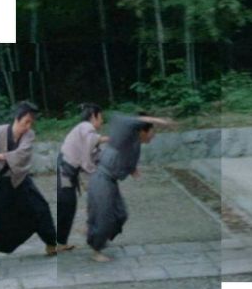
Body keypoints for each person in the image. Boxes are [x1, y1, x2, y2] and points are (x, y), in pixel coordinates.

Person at [0, 101, 63, 257]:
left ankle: (51, 243)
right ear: (17, 118)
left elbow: (22, 153)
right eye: (26, 122)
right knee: (2, 219)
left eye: (31, 122)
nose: (28, 126)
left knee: (40, 208)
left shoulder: (29, 134)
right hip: (1, 183)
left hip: (21, 180)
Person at [86, 112, 175, 262]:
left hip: (110, 182)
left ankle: (93, 232)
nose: (153, 135)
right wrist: (159, 120)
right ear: (143, 131)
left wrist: (132, 170)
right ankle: (96, 249)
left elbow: (128, 159)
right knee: (105, 217)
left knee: (121, 214)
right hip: (101, 179)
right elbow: (121, 119)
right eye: (152, 131)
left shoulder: (134, 143)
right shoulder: (126, 135)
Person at [56, 103, 110, 250]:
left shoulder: (87, 131)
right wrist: (108, 139)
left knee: (68, 205)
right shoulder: (86, 127)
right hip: (65, 169)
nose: (102, 121)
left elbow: (94, 153)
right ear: (93, 116)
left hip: (69, 169)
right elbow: (91, 141)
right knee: (66, 204)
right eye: (101, 117)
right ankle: (59, 243)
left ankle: (61, 242)